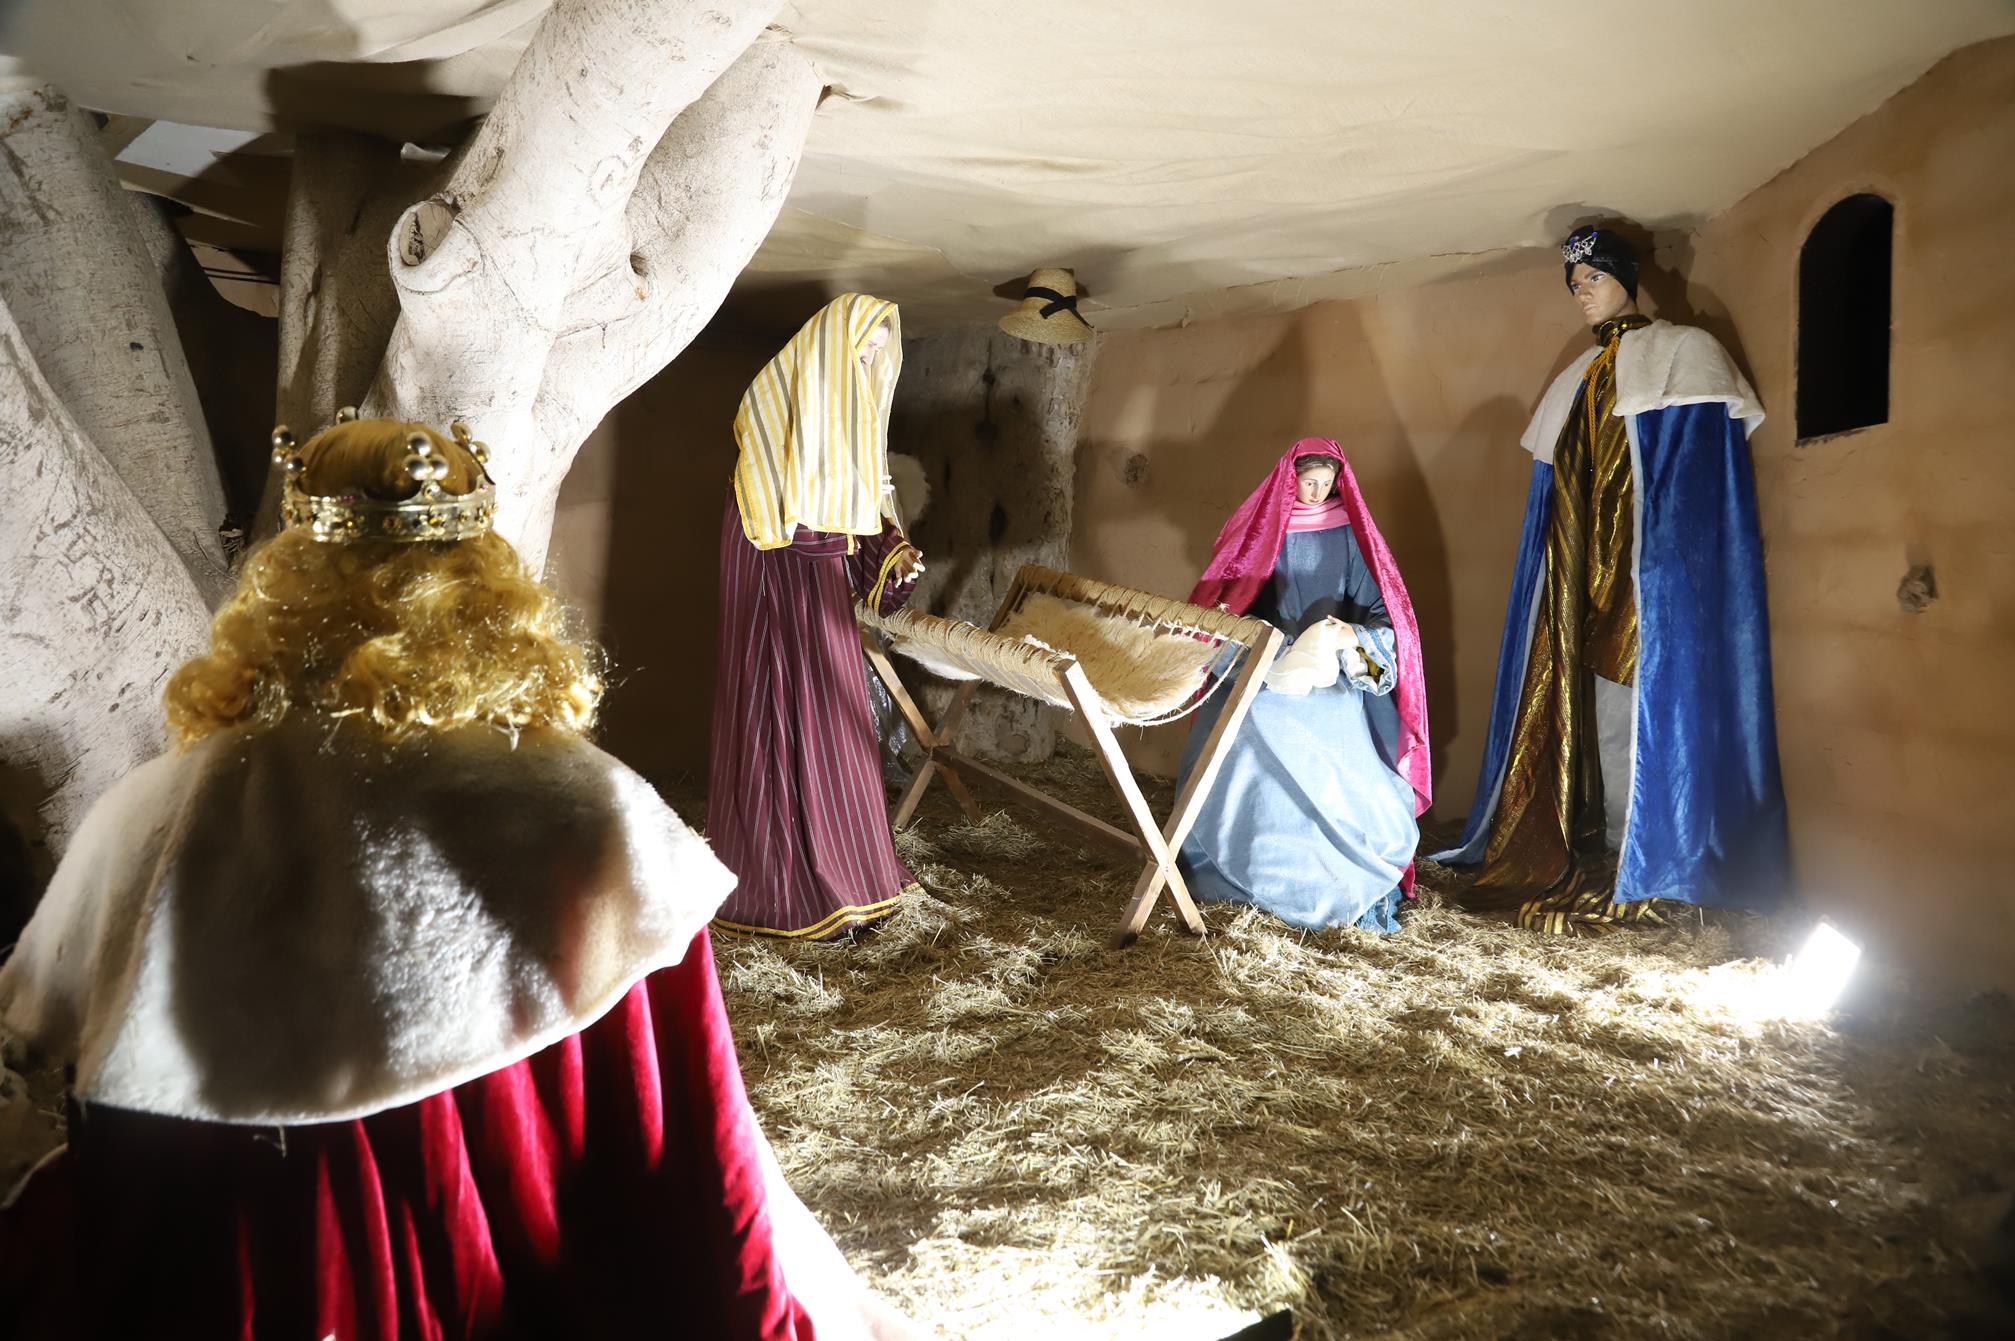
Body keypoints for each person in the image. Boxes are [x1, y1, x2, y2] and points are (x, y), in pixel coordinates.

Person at [0, 415, 921, 1340]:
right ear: (486, 579)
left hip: (252, 1262)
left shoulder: (160, 810)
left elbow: (78, 1051)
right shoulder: (585, 803)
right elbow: (675, 1118)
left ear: (289, 582)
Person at [1434, 225, 1789, 932]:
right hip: (1581, 575)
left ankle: (1646, 847)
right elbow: (1560, 491)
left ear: (1627, 277)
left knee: (1641, 708)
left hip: (1648, 574)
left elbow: (1694, 484)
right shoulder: (1578, 375)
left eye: (1590, 279)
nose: (1580, 296)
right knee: (1593, 707)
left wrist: (1653, 566)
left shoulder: (1684, 352)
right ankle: (1599, 838)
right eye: (1573, 286)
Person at [710, 294, 927, 941]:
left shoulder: (841, 435)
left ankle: (852, 868)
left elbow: (855, 526)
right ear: (827, 352)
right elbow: (788, 527)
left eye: (874, 355)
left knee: (835, 724)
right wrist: (855, 541)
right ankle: (792, 886)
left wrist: (892, 554)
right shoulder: (775, 424)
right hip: (778, 608)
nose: (866, 364)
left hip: (819, 603)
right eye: (858, 351)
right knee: (787, 721)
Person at [1179, 438, 1432, 932]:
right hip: (1266, 666)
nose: (1317, 494)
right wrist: (1258, 637)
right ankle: (1239, 866)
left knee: (1333, 741)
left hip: (1328, 673)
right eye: (1308, 484)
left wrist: (1344, 636)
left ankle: (1328, 872)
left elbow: (1384, 613)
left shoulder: (1349, 537)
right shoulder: (1262, 533)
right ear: (1289, 482)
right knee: (1245, 725)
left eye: (1326, 484)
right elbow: (1234, 597)